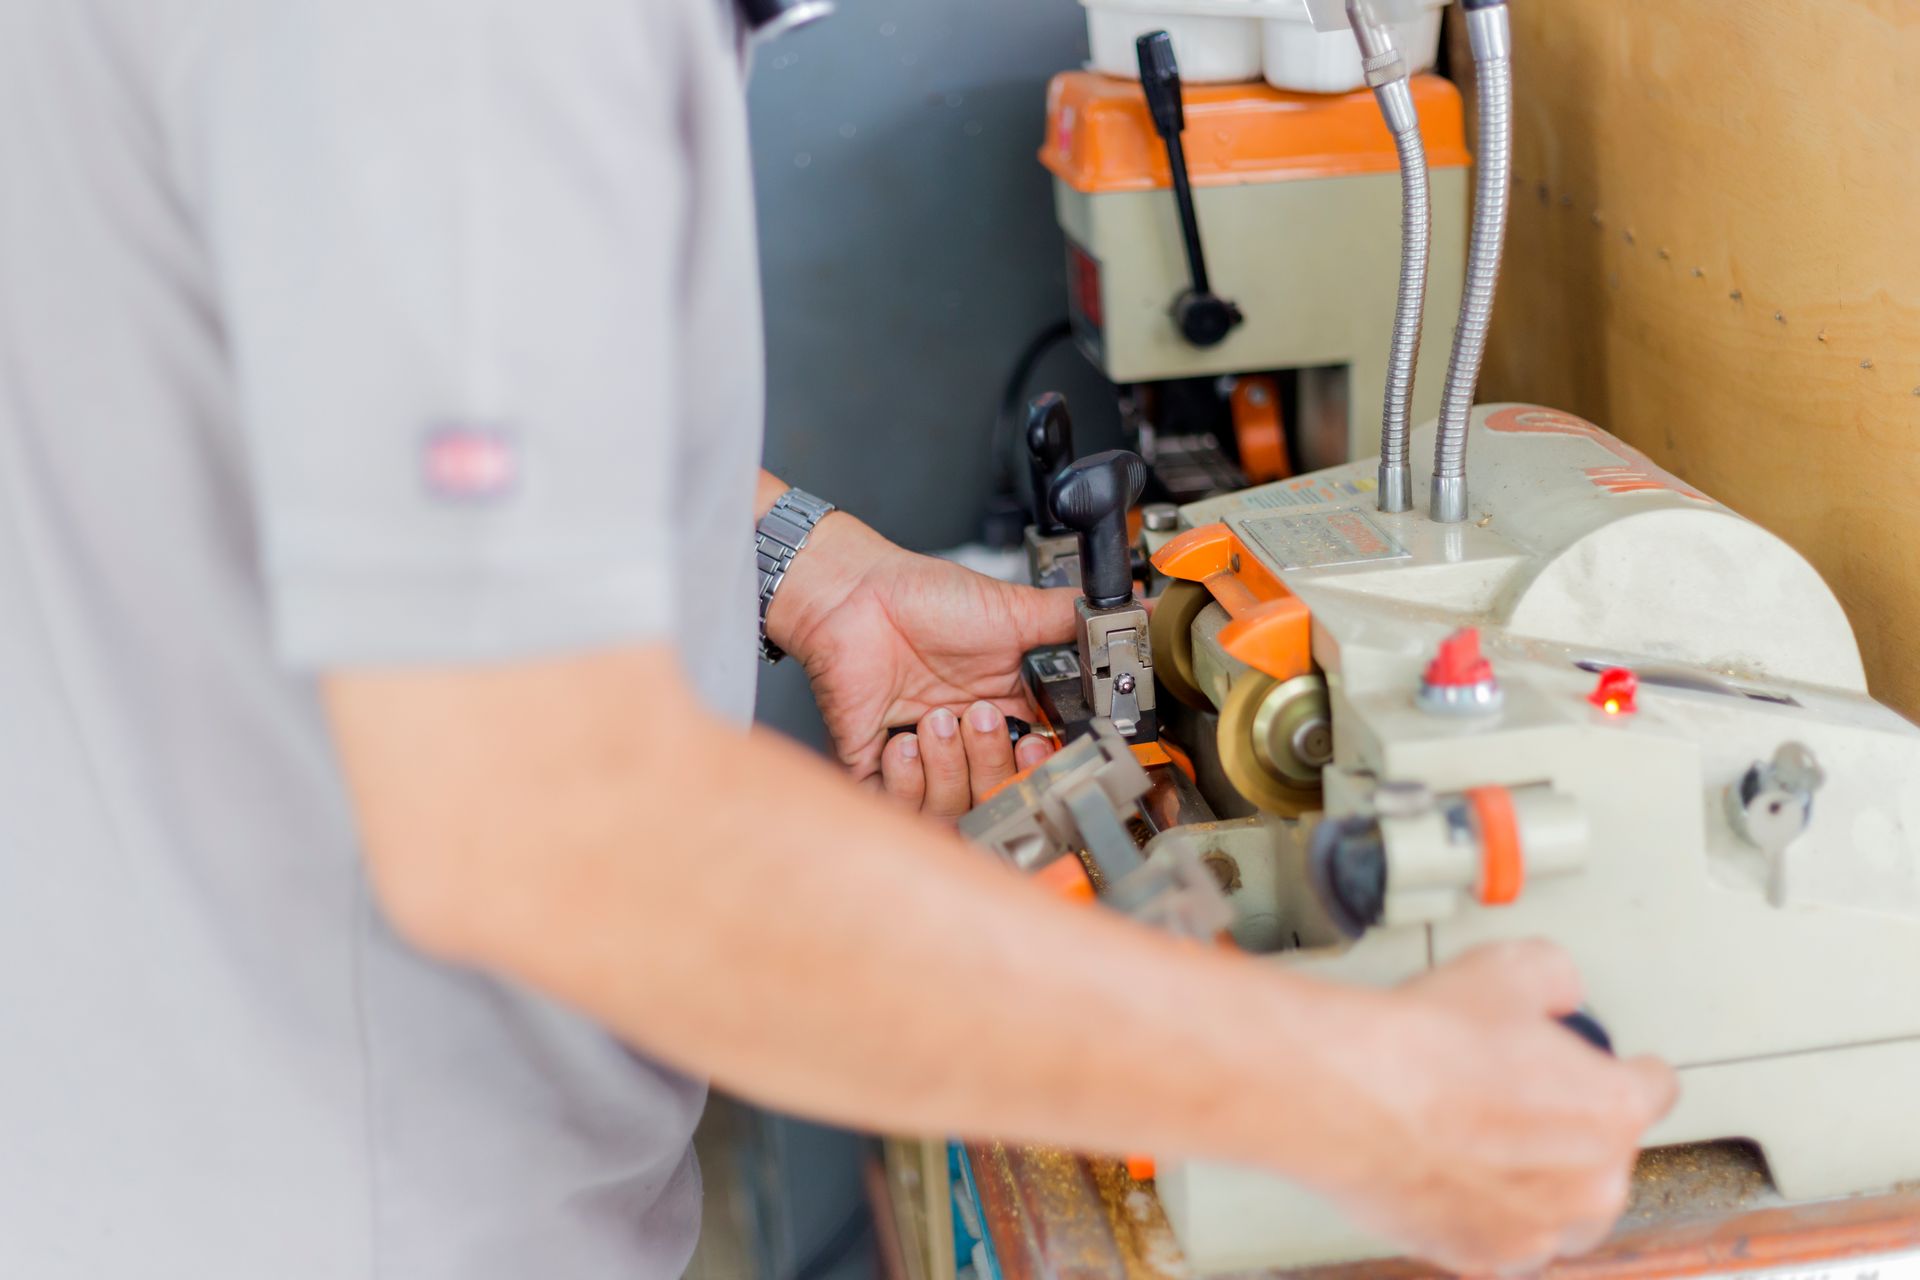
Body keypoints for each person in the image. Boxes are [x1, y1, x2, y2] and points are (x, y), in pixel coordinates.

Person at [0, 1, 1676, 1276]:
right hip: (312, 1210)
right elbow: (553, 831)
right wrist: (1359, 1101)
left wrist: (808, 566)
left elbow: (310, 391)